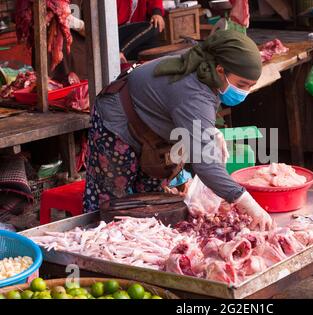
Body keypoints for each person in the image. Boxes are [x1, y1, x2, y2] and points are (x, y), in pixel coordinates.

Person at [83, 30, 273, 231]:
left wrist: (211, 132)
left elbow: (194, 112)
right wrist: (250, 205)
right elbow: (206, 166)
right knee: (113, 206)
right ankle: (94, 254)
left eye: (250, 86)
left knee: (152, 203)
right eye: (242, 84)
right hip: (116, 123)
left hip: (149, 129)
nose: (245, 92)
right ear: (219, 69)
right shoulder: (194, 89)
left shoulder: (207, 74)